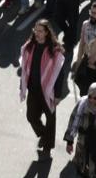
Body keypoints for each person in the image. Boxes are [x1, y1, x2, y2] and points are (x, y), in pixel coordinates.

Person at [17, 19, 65, 153]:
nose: (37, 33)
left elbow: (60, 74)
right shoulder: (29, 46)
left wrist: (58, 95)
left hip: (48, 91)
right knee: (31, 117)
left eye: (40, 31)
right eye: (35, 30)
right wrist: (22, 85)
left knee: (50, 119)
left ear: (47, 33)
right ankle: (44, 134)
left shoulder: (55, 51)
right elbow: (24, 69)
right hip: (33, 89)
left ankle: (48, 146)